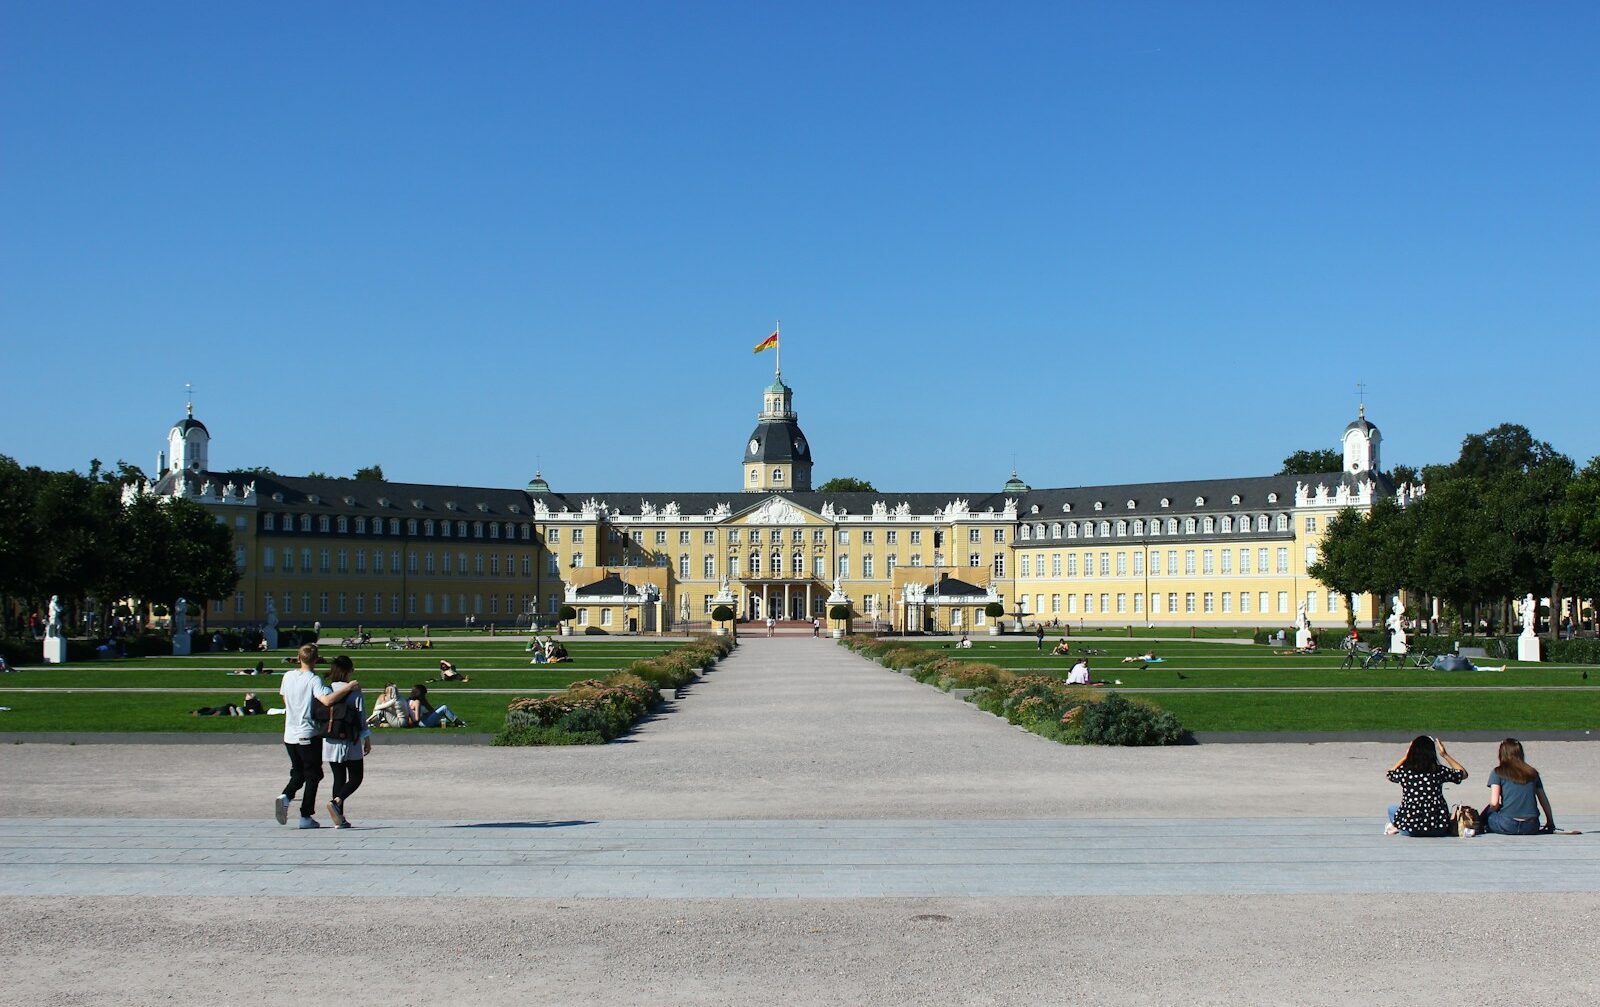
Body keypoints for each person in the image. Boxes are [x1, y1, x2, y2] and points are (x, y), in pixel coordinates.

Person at [276, 643, 357, 829]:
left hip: (289, 734)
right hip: (307, 733)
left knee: (298, 772)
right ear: (316, 660)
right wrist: (348, 687)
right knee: (314, 774)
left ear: (298, 658)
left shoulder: (288, 676)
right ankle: (304, 815)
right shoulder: (314, 680)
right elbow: (327, 700)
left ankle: (286, 797)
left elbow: (284, 698)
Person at [1385, 736, 1467, 837]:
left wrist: (1405, 757)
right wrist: (1445, 755)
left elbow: (1390, 774)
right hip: (1438, 828)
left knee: (1392, 809)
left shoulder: (1406, 772)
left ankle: (1396, 827)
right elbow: (1463, 774)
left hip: (1411, 829)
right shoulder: (1439, 771)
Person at [323, 655, 370, 828]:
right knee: (356, 777)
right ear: (348, 671)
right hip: (351, 738)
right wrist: (367, 739)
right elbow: (361, 716)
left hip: (331, 739)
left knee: (339, 778)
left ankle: (339, 818)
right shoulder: (354, 690)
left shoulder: (327, 689)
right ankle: (337, 802)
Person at [1482, 738, 1557, 835]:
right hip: (1531, 826)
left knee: (1490, 814)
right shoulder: (1532, 773)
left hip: (1507, 824)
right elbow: (1544, 801)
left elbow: (1494, 803)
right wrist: (1550, 822)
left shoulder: (1498, 772)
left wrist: (1487, 815)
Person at [191, 693, 265, 716]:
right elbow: (261, 710)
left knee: (229, 706)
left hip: (225, 709)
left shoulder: (254, 701)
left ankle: (235, 711)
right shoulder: (256, 702)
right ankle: (236, 711)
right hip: (246, 710)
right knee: (230, 706)